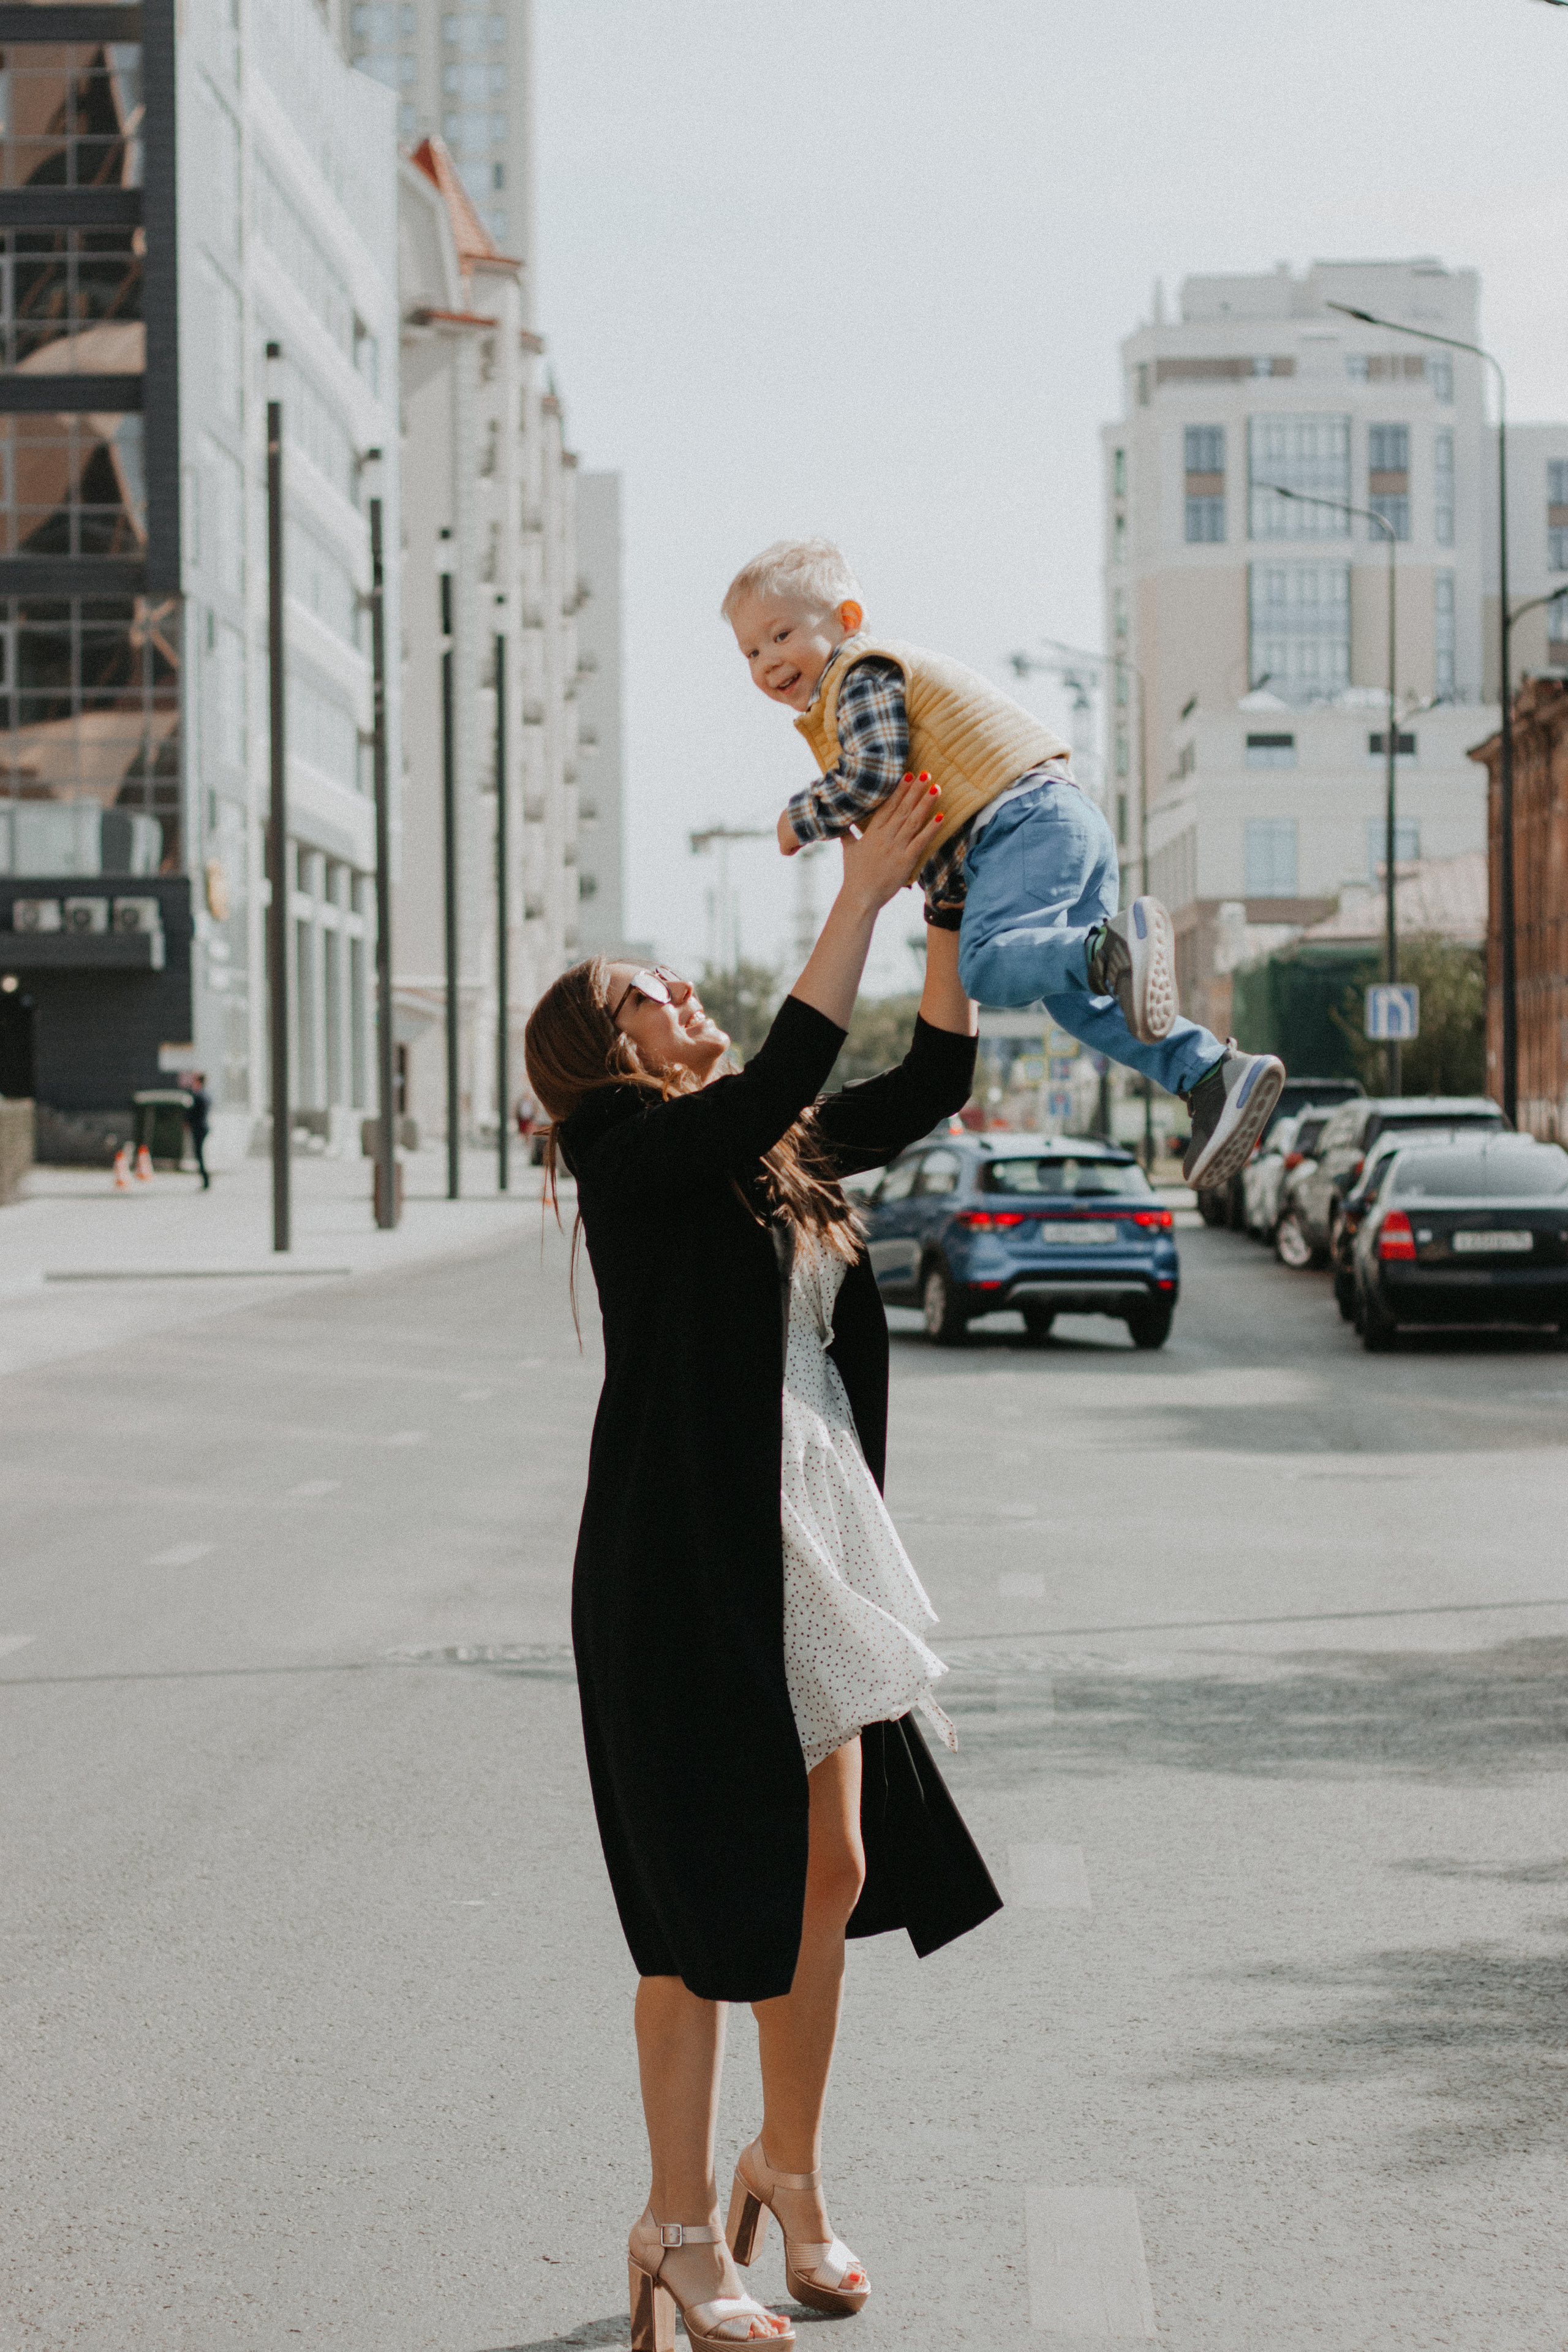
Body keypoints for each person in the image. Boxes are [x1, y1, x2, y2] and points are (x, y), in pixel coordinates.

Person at [523, 780, 1001, 2350]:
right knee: (697, 1915)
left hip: (803, 1535)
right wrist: (849, 891)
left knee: (833, 1872)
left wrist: (934, 909)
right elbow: (787, 1056)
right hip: (680, 1570)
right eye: (647, 996)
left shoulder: (769, 1150)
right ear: (609, 1057)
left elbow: (923, 1078)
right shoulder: (627, 1156)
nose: (681, 996)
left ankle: (782, 2164)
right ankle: (674, 2225)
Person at [722, 536, 1287, 1191]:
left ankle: (1110, 947)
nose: (767, 662)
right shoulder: (849, 686)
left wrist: (801, 818)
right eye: (750, 652)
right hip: (1056, 822)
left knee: (987, 963)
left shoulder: (858, 675)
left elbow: (871, 772)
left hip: (1019, 823)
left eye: (781, 634)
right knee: (1077, 1006)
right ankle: (1212, 1074)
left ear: (846, 620)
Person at [184, 1072, 211, 1190]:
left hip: (199, 1127)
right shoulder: (205, 1094)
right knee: (199, 1154)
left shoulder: (199, 1095)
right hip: (202, 1127)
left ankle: (205, 1178)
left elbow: (194, 1112)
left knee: (199, 1154)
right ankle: (205, 1178)